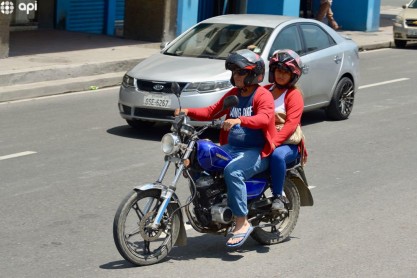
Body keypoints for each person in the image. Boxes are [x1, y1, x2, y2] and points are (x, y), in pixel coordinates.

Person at [174, 49, 276, 248]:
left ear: (253, 74)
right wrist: (187, 111)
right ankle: (207, 208)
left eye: (240, 72)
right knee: (199, 158)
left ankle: (241, 222)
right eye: (234, 72)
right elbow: (213, 111)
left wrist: (240, 119)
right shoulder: (234, 94)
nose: (235, 76)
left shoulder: (262, 95)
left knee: (233, 171)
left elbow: (265, 117)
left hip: (257, 151)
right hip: (232, 147)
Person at [264, 49, 307, 212]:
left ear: (293, 75)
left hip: (287, 144)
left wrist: (273, 143)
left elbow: (290, 125)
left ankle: (278, 196)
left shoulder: (294, 95)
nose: (281, 75)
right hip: (263, 139)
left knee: (277, 156)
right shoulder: (265, 91)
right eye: (278, 71)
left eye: (285, 72)